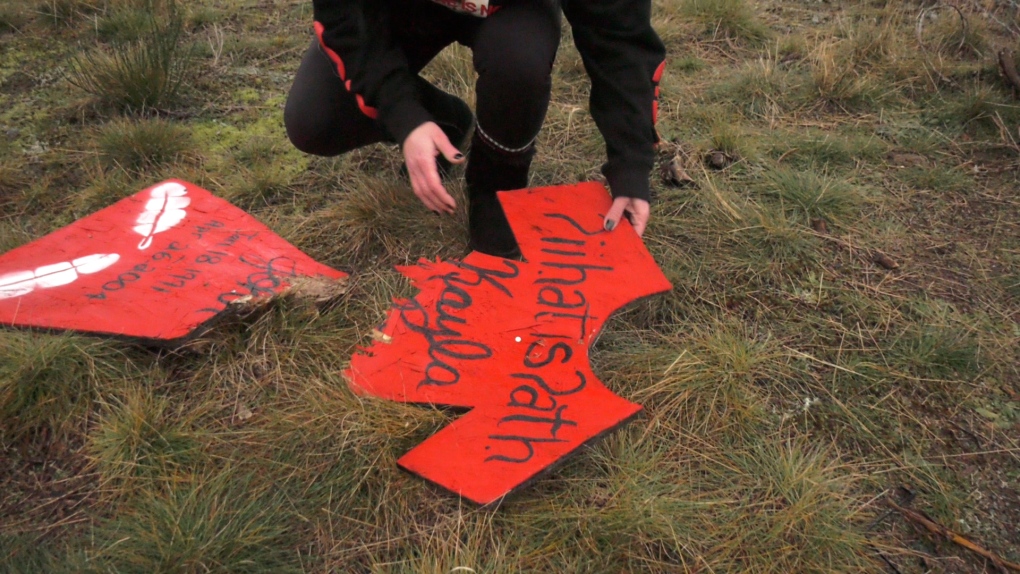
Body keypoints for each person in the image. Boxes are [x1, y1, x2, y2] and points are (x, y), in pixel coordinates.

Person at [284, 0, 665, 258]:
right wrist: (405, 116)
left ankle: (496, 185)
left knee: (519, 65)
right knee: (317, 121)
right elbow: (345, 18)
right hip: (407, 7)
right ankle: (444, 123)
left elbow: (620, 37)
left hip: (513, 9)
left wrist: (631, 163)